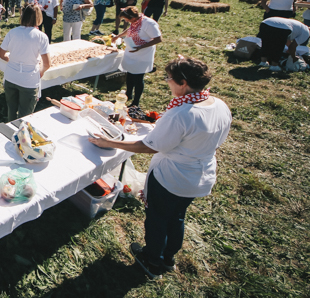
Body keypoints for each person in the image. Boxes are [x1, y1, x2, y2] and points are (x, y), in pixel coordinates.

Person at [89, 57, 231, 279]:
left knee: (157, 220)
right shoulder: (219, 104)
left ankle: (152, 260)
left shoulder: (183, 113)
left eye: (170, 79)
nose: (168, 83)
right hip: (200, 175)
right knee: (177, 217)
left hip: (173, 178)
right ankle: (168, 257)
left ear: (183, 82)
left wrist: (110, 143)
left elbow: (148, 146)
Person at [0, 4, 51, 120]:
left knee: (11, 111)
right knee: (25, 117)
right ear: (39, 18)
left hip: (11, 77)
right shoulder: (41, 37)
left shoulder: (12, 32)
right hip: (28, 80)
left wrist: (10, 59)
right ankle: (21, 136)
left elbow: (1, 54)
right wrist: (41, 71)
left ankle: (12, 134)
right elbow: (47, 64)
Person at [113, 6, 163, 107]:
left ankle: (136, 101)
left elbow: (158, 39)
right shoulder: (135, 22)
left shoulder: (149, 23)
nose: (127, 21)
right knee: (130, 73)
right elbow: (130, 29)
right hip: (132, 50)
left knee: (138, 77)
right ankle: (128, 94)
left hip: (143, 53)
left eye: (127, 19)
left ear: (133, 17)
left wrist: (141, 47)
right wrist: (118, 36)